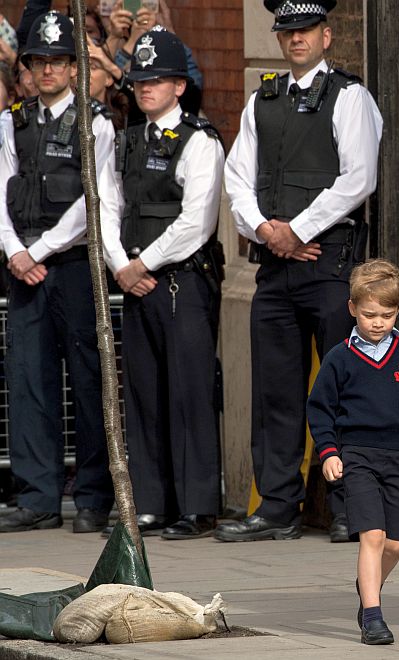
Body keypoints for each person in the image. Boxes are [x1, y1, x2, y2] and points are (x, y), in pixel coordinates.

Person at [216, 0, 382, 543]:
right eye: (287, 31)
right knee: (274, 393)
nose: (296, 40)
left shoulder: (350, 96)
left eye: (306, 30)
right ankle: (278, 507)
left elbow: (358, 178)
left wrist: (298, 230)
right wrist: (267, 231)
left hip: (330, 263)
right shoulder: (263, 98)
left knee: (345, 386)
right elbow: (236, 174)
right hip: (275, 265)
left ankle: (348, 507)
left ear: (327, 35)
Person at [98, 26, 225, 540]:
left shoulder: (200, 141)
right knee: (145, 395)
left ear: (179, 86)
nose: (145, 88)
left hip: (182, 283)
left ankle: (197, 505)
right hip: (135, 281)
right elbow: (107, 204)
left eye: (157, 80)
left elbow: (197, 221)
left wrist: (141, 264)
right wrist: (118, 265)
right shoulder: (125, 141)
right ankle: (151, 502)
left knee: (191, 393)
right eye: (140, 81)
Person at [0, 11, 116, 533]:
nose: (47, 70)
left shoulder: (97, 121)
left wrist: (40, 250)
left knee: (88, 382)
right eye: (38, 61)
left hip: (71, 266)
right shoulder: (12, 121)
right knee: (29, 382)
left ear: (74, 67)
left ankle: (92, 497)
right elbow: (2, 186)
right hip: (22, 266)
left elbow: (95, 198)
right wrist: (13, 252)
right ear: (27, 68)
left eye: (57, 61)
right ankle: (37, 495)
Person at [305, 260, 399, 645]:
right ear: (352, 308)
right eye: (369, 314)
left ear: (398, 311)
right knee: (372, 534)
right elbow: (319, 409)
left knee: (396, 542)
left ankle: (367, 586)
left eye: (387, 314)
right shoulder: (340, 357)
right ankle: (373, 615)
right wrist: (330, 452)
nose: (378, 322)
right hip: (357, 455)